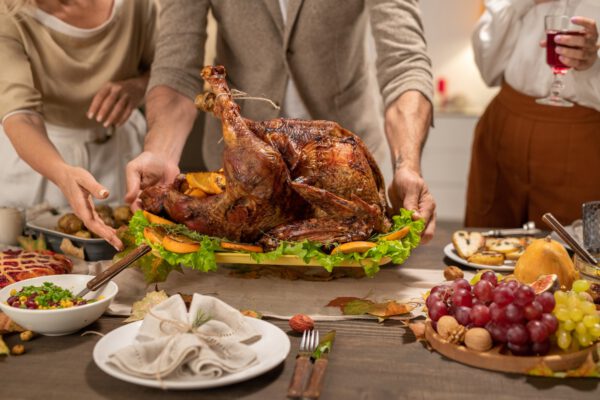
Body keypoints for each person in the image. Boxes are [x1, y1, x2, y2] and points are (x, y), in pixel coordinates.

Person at [123, 0, 436, 249]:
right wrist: (160, 152)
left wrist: (406, 165)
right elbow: (176, 70)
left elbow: (404, 63)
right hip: (245, 181)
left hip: (341, 174)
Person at [0, 0, 156, 249]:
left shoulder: (138, 5)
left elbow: (169, 70)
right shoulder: (8, 13)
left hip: (118, 151)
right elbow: (21, 115)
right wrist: (61, 173)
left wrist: (138, 87)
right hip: (39, 157)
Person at [466, 0, 600, 228]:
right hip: (501, 132)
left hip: (584, 143)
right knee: (486, 243)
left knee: (574, 251)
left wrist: (592, 66)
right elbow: (488, 69)